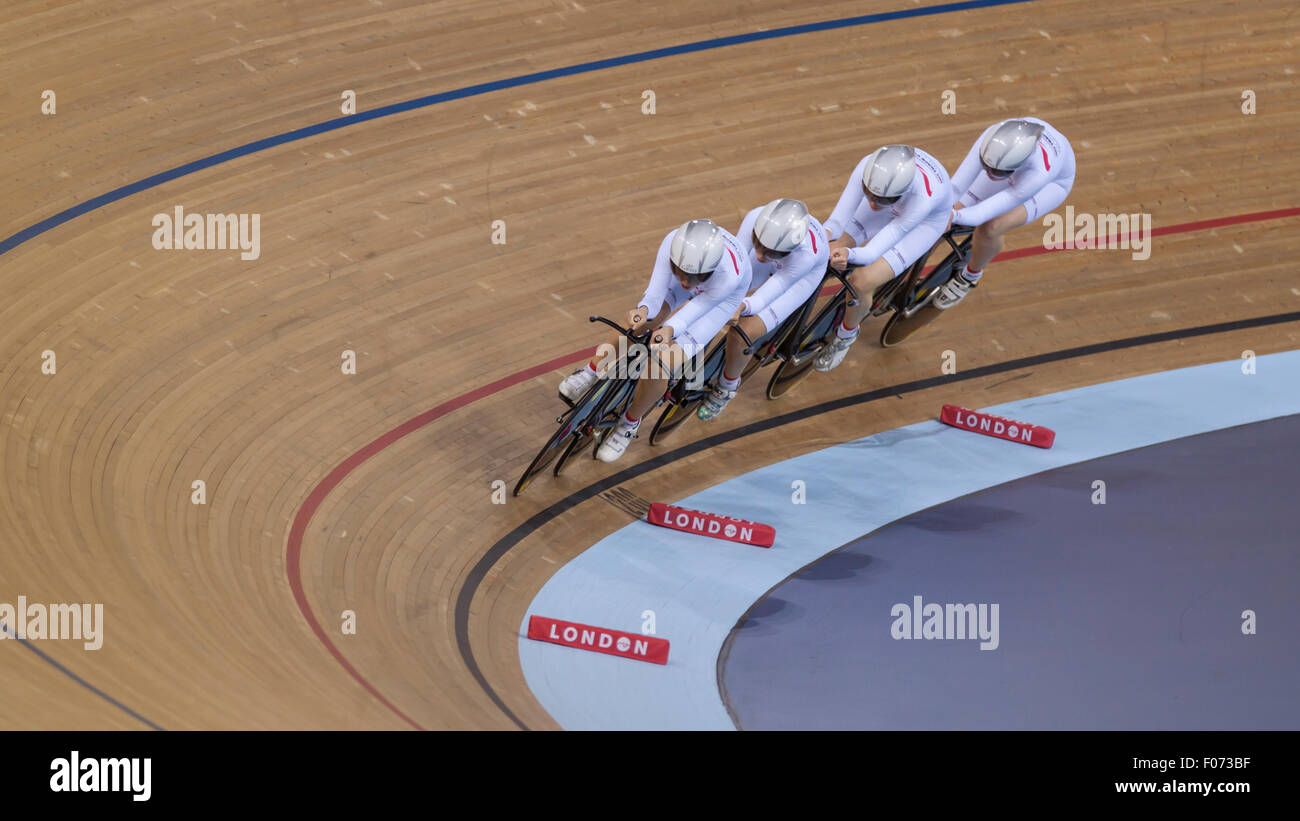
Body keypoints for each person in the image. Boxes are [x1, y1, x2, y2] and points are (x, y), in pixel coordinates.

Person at [557, 218, 751, 462]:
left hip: (719, 301)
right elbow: (656, 291)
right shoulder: (672, 242)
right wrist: (643, 311)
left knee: (662, 365)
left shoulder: (727, 276)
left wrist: (669, 330)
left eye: (694, 278)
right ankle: (591, 370)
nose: (685, 283)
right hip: (700, 280)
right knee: (633, 325)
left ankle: (629, 424)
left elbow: (694, 312)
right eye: (680, 273)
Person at [814, 144, 955, 371]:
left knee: (861, 280)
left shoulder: (922, 198)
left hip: (924, 220)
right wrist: (826, 241)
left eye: (879, 198)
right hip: (895, 201)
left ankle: (846, 336)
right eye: (867, 193)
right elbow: (836, 223)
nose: (871, 203)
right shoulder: (868, 168)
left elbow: (873, 251)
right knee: (828, 249)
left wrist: (849, 255)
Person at [696, 198, 830, 421]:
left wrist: (741, 306)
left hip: (799, 278)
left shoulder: (805, 255)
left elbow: (766, 296)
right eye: (758, 244)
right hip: (781, 256)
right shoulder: (755, 219)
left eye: (769, 252)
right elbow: (734, 270)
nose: (759, 256)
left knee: (743, 332)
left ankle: (727, 387)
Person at [935, 117, 1076, 309]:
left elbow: (986, 212)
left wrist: (956, 216)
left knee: (991, 227)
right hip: (1009, 163)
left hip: (1052, 185)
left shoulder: (1039, 172)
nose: (991, 174)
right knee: (945, 213)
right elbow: (956, 187)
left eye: (997, 172)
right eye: (987, 166)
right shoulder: (992, 137)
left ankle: (970, 276)